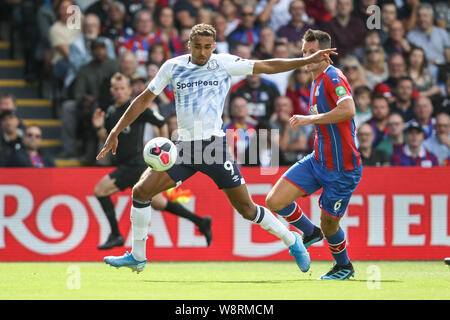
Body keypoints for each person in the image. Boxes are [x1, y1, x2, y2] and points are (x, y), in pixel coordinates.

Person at [97, 23, 337, 273]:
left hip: (213, 148)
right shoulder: (173, 66)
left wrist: (305, 60)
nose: (202, 52)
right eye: (198, 46)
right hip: (183, 149)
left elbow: (267, 65)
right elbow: (144, 99)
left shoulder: (223, 63)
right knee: (141, 192)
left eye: (208, 47)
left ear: (214, 46)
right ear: (189, 44)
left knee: (247, 209)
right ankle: (138, 256)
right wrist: (115, 131)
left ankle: (293, 240)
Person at [265, 29, 362, 280]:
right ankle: (310, 233)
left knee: (331, 224)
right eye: (305, 52)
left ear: (326, 54)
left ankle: (344, 266)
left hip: (343, 169)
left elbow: (348, 108)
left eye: (312, 52)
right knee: (275, 201)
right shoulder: (316, 79)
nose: (307, 56)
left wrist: (311, 118)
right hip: (318, 160)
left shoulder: (333, 77)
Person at [92, 72, 212, 249]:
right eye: (116, 89)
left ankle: (116, 235)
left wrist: (165, 148)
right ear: (111, 90)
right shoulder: (110, 112)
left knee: (100, 190)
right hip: (127, 164)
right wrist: (98, 127)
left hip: (134, 164)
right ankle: (201, 221)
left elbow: (161, 122)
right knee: (159, 203)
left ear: (129, 90)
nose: (119, 92)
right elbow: (107, 141)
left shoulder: (135, 108)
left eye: (122, 88)